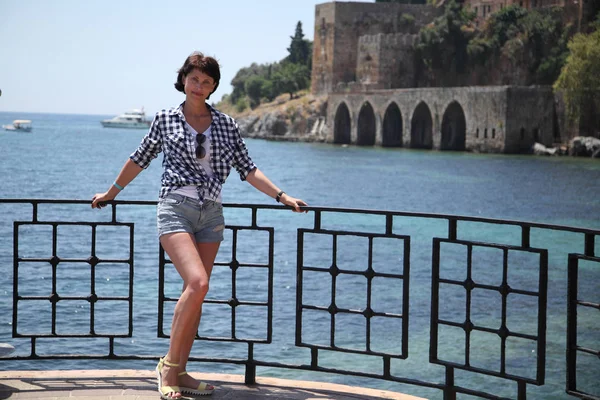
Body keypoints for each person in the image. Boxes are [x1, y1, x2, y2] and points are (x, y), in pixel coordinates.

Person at [91, 51, 307, 399]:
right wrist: (112, 192)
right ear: (184, 80)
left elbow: (248, 168)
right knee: (198, 282)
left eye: (207, 81)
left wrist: (282, 196)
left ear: (213, 87)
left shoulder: (226, 124)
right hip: (176, 208)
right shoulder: (164, 119)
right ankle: (167, 369)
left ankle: (182, 370)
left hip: (212, 214)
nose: (199, 86)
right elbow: (139, 159)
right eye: (194, 79)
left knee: (197, 294)